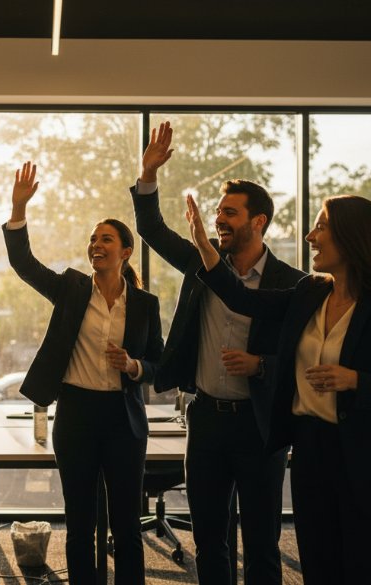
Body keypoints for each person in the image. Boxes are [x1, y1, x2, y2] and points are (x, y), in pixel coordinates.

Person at [186, 193, 371, 585]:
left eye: (321, 227)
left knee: (366, 574)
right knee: (319, 571)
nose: (310, 237)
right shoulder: (310, 291)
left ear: (352, 237)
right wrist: (202, 245)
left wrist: (357, 381)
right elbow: (241, 297)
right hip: (313, 452)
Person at [131, 121, 304, 584]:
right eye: (217, 212)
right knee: (210, 541)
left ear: (258, 221)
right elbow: (150, 227)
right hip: (205, 419)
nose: (219, 220)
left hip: (260, 424)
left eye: (229, 212)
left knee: (264, 543)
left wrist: (261, 365)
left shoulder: (293, 282)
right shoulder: (200, 262)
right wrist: (147, 174)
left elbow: (304, 359)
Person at [3, 161, 163, 584]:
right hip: (76, 415)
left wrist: (133, 366)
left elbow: (159, 365)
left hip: (124, 419)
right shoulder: (71, 289)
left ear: (125, 251)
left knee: (127, 526)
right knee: (80, 524)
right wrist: (18, 209)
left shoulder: (146, 305)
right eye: (92, 239)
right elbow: (24, 263)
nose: (96, 244)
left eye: (105, 239)